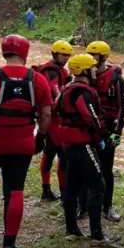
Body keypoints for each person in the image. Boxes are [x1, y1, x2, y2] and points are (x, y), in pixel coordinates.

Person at [0, 35, 52, 248]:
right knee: (15, 189)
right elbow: (45, 115)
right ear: (24, 53)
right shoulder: (39, 80)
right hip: (23, 144)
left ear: (4, 51)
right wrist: (41, 137)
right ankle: (10, 243)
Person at [58, 54, 120, 242]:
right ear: (85, 70)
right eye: (92, 67)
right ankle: (97, 234)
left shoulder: (67, 88)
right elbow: (92, 119)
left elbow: (56, 108)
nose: (95, 70)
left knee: (73, 185)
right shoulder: (83, 92)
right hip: (83, 145)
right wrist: (101, 139)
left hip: (69, 145)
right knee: (98, 185)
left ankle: (72, 228)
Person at [85, 41, 124, 222]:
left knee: (107, 169)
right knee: (87, 168)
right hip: (89, 130)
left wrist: (117, 133)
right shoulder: (86, 75)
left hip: (110, 130)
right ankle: (85, 205)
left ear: (103, 57)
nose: (90, 59)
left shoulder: (116, 79)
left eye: (93, 56)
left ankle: (107, 206)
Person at [34, 40, 73, 201]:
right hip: (52, 117)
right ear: (55, 54)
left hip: (49, 117)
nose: (66, 58)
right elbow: (55, 97)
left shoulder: (57, 70)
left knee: (49, 152)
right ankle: (63, 193)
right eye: (63, 55)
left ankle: (46, 190)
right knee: (62, 154)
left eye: (68, 55)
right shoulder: (51, 72)